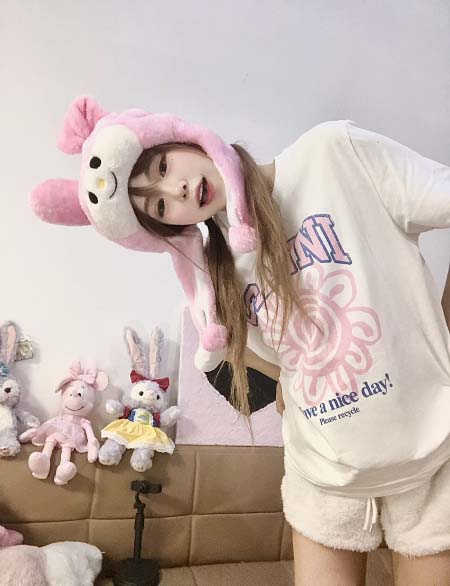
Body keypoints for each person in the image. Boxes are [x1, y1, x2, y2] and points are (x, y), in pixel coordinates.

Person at [31, 98, 450, 586]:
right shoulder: (216, 270)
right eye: (160, 206)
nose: (177, 189)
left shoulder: (332, 152)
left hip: (432, 455)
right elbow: (255, 353)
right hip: (324, 475)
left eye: (163, 167)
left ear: (184, 139)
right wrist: (289, 382)